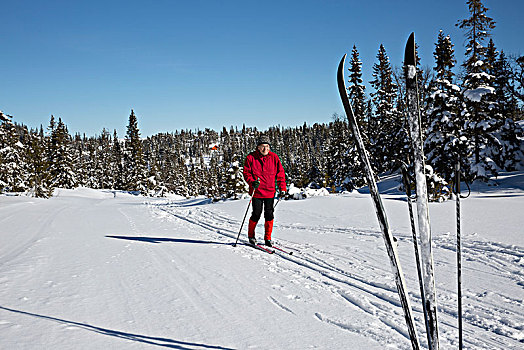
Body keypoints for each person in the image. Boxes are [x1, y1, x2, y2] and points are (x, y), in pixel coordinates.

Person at [243, 135, 287, 247]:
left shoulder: (274, 157)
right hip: (257, 192)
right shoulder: (251, 158)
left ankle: (268, 238)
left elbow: (280, 173)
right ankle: (251, 236)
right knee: (256, 214)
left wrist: (282, 188)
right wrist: (252, 182)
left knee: (269, 214)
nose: (265, 149)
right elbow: (246, 173)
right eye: (262, 146)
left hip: (270, 192)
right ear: (258, 147)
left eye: (267, 146)